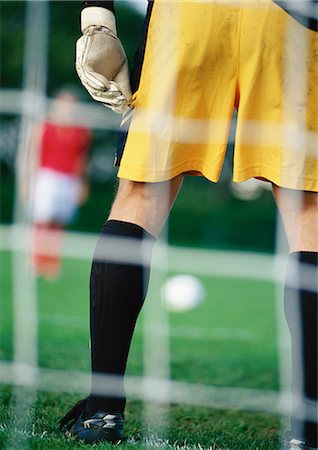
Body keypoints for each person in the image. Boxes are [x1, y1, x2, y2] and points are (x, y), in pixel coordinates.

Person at [60, 1, 318, 449]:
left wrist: (96, 18)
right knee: (309, 213)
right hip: (291, 19)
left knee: (139, 197)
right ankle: (308, 427)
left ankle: (102, 412)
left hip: (189, 15)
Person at [26, 88, 91, 279]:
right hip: (46, 177)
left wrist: (83, 184)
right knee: (42, 220)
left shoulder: (82, 131)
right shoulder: (44, 126)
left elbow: (83, 160)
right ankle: (37, 260)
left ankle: (52, 262)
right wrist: (28, 182)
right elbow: (32, 155)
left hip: (69, 179)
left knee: (58, 222)